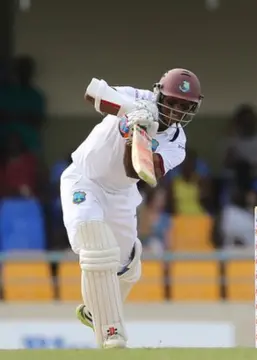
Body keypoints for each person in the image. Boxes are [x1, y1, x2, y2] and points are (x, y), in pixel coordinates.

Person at [59, 69, 203, 348]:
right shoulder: (137, 96)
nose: (175, 111)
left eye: (184, 107)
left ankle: (94, 310)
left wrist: (135, 136)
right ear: (159, 93)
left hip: (122, 193)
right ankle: (111, 330)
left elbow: (138, 171)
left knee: (126, 265)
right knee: (95, 244)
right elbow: (92, 93)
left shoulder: (177, 143)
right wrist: (132, 112)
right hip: (84, 179)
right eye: (172, 103)